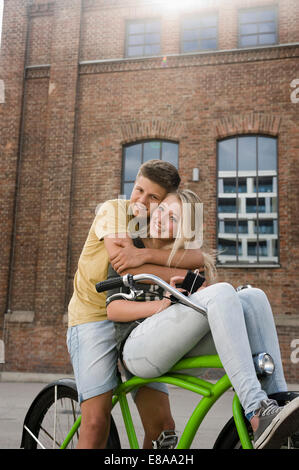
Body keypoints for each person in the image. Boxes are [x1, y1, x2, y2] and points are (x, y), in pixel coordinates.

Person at [106, 189, 299, 449]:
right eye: (162, 209)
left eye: (173, 218)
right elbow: (114, 309)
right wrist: (161, 305)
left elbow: (206, 310)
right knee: (222, 291)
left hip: (178, 348)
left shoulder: (188, 262)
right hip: (136, 349)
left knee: (253, 297)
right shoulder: (130, 248)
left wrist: (194, 297)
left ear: (184, 230)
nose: (162, 218)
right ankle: (255, 409)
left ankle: (277, 408)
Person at [67, 160, 205, 449]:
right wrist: (177, 276)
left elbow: (197, 258)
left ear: (166, 201)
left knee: (163, 429)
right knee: (96, 422)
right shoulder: (115, 211)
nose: (140, 202)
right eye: (138, 189)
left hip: (135, 321)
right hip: (93, 317)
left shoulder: (157, 226)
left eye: (153, 197)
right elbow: (128, 271)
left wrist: (149, 259)